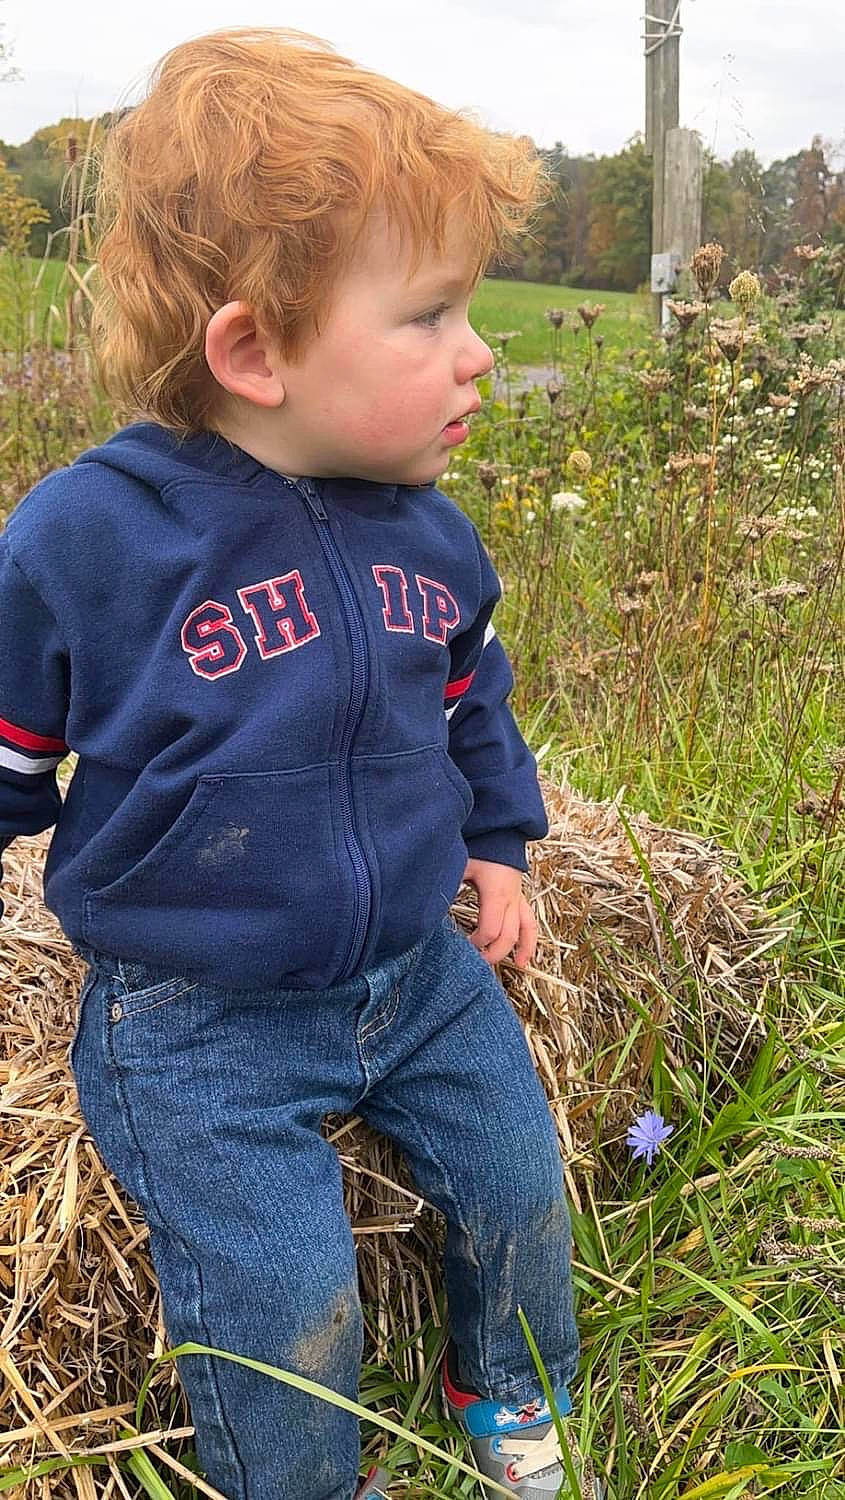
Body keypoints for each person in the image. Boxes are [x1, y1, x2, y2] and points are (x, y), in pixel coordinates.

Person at [0, 29, 592, 1500]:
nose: (480, 353)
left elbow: (472, 704)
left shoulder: (429, 535)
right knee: (281, 1291)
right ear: (253, 350)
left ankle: (509, 1392)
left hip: (412, 971)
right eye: (431, 315)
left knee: (518, 1184)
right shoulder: (89, 543)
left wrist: (498, 845)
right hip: (197, 1017)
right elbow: (7, 743)